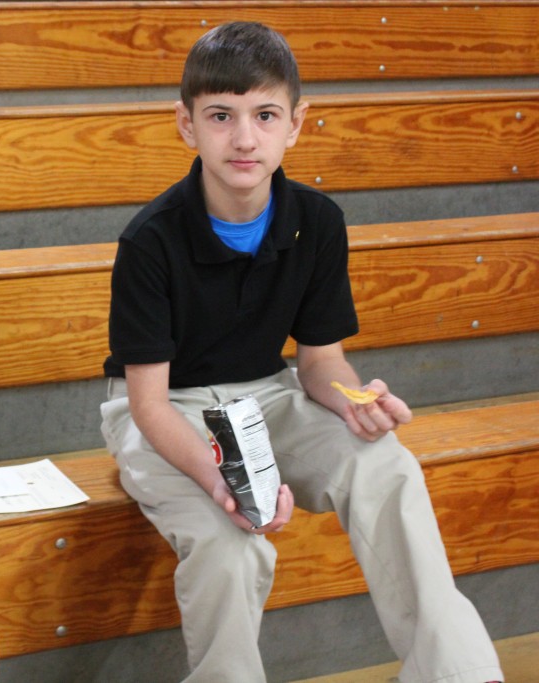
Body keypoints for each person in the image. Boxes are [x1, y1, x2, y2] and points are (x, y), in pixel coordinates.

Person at [99, 21, 503, 683]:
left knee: (386, 465)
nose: (243, 137)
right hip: (165, 414)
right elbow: (146, 403)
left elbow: (320, 362)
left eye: (264, 115)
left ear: (295, 122)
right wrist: (219, 479)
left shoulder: (317, 221)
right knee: (232, 543)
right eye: (221, 116)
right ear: (186, 123)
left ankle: (457, 670)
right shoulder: (150, 240)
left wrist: (356, 400)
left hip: (270, 394)